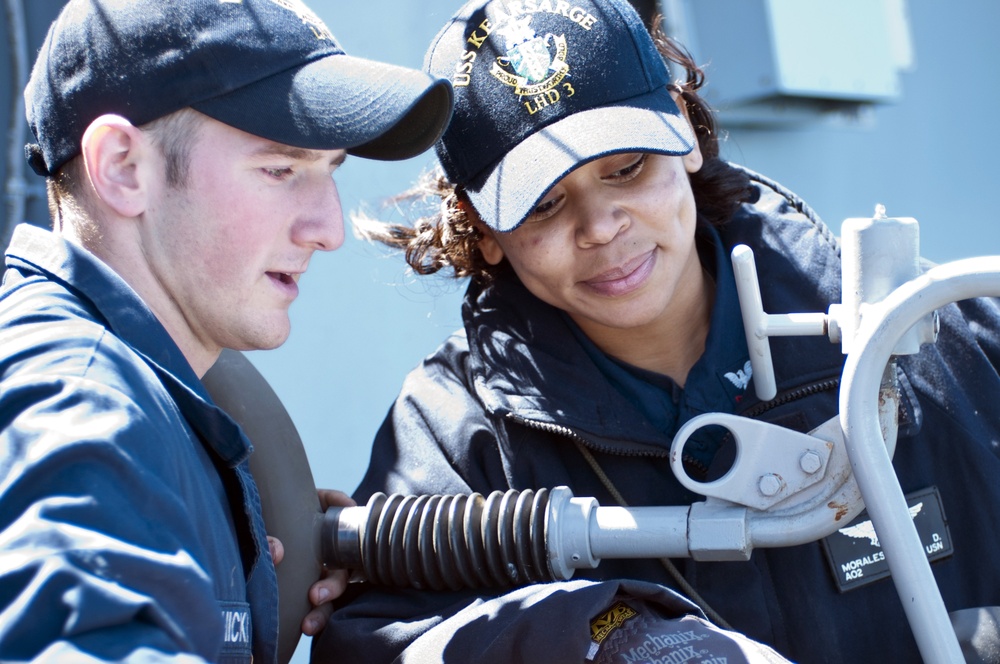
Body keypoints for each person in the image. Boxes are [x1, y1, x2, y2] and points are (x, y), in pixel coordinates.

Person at [313, 0, 1000, 662]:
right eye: (543, 204)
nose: (602, 227)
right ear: (483, 231)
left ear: (684, 133)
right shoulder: (456, 437)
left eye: (627, 168)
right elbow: (381, 641)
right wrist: (593, 637)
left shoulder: (937, 338)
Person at [0, 0, 453, 661]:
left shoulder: (152, 402)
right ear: (124, 167)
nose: (328, 230)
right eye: (281, 169)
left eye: (330, 173)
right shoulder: (80, 408)